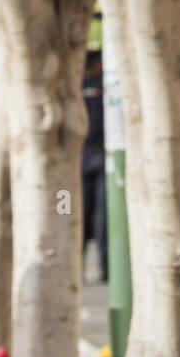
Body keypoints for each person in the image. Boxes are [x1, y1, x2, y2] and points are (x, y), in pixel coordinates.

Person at [81, 49, 107, 283]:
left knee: (80, 214)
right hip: (99, 158)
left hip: (83, 159)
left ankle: (76, 266)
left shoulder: (75, 87)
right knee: (101, 217)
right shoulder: (104, 85)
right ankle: (105, 268)